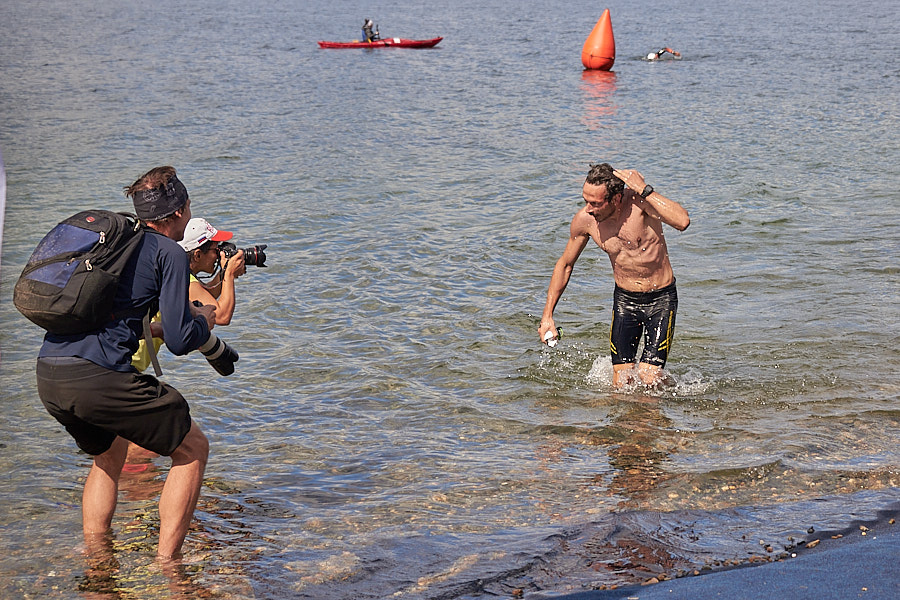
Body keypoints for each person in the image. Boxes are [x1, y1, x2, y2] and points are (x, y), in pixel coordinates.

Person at [36, 166, 217, 559]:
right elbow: (181, 339)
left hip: (50, 371)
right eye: (188, 206)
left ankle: (99, 561)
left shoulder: (113, 243)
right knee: (192, 448)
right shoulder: (168, 252)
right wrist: (203, 321)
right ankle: (170, 565)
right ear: (180, 211)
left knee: (109, 456)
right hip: (99, 378)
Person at [538, 163, 690, 387]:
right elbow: (565, 264)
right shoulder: (585, 220)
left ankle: (679, 395)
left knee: (650, 376)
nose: (589, 208)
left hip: (660, 299)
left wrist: (644, 189)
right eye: (585, 201)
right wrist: (547, 316)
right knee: (622, 382)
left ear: (616, 199)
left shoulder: (640, 204)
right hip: (625, 301)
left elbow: (682, 221)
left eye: (596, 203)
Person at [131, 217, 245, 371]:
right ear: (197, 255)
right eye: (216, 249)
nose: (219, 255)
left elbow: (205, 296)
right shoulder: (183, 279)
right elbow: (222, 316)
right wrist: (229, 274)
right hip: (131, 361)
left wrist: (224, 273)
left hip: (131, 359)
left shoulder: (176, 272)